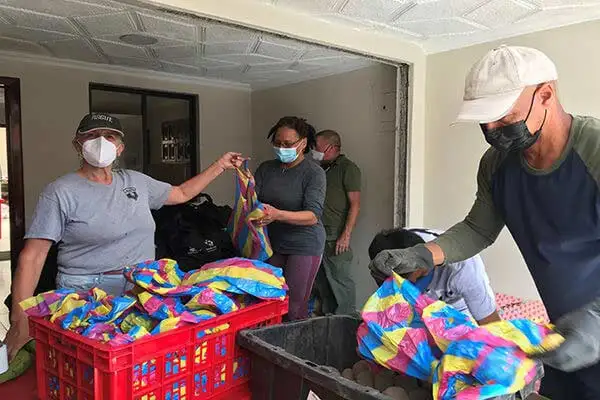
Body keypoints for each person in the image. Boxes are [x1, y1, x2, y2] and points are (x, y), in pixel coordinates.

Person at [368, 45, 600, 399]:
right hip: (563, 333)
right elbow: (477, 228)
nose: (491, 128)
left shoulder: (594, 151)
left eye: (502, 116)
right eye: (483, 119)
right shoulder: (497, 164)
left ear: (546, 95)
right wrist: (423, 254)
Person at [5, 112, 244, 360]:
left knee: (137, 364)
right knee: (90, 367)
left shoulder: (136, 181)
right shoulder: (60, 192)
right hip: (87, 292)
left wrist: (220, 166)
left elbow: (182, 193)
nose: (101, 142)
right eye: (92, 136)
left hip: (139, 288)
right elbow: (33, 256)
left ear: (119, 148)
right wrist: (20, 317)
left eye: (109, 137)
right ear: (78, 144)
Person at [254, 116, 326, 321]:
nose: (281, 148)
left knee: (294, 306)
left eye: (287, 144)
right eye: (277, 143)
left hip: (304, 244)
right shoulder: (266, 169)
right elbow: (252, 200)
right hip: (272, 244)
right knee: (269, 300)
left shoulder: (313, 173)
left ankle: (293, 349)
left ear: (303, 143)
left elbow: (312, 216)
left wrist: (277, 215)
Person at [369, 228, 500, 325]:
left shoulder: (463, 268)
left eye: (421, 277)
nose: (417, 288)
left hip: (458, 308)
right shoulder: (390, 254)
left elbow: (491, 325)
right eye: (410, 284)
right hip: (416, 311)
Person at [312, 130, 361, 315]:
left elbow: (355, 205)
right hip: (317, 234)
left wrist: (345, 235)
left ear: (332, 148)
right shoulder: (320, 169)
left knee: (341, 281)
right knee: (322, 282)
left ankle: (346, 322)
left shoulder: (348, 169)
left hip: (336, 236)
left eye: (317, 148)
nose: (313, 151)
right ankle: (328, 320)